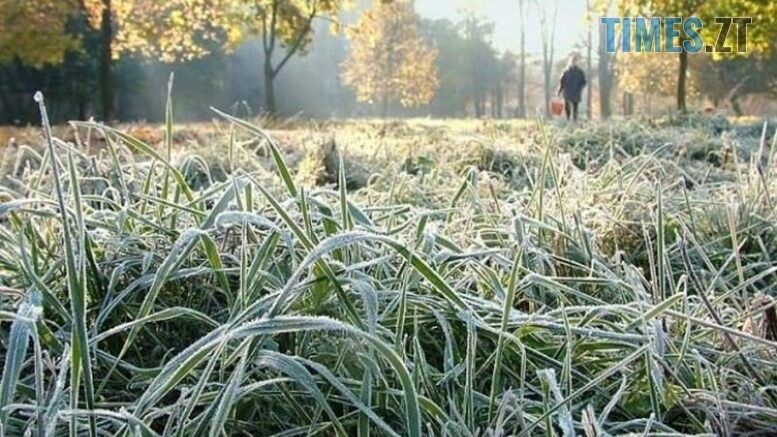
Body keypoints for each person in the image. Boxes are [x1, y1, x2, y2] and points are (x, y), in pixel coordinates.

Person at [557, 54, 587, 121]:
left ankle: (575, 121)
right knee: (567, 107)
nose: (574, 63)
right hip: (567, 92)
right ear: (570, 62)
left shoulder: (580, 72)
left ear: (577, 62)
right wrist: (559, 91)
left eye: (575, 61)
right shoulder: (566, 72)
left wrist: (579, 88)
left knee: (575, 108)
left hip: (576, 92)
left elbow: (584, 82)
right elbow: (562, 82)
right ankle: (568, 120)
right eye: (572, 61)